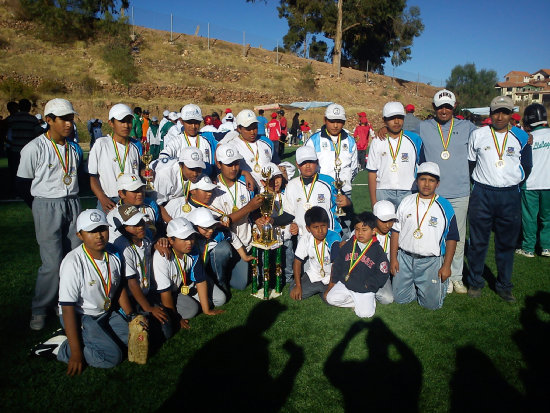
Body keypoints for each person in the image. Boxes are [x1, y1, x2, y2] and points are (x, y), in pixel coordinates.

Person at [31, 209, 131, 374]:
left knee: (132, 340)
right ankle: (61, 347)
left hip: (104, 312)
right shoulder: (73, 262)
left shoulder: (113, 253)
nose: (98, 235)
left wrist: (131, 316)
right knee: (112, 356)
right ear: (79, 235)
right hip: (81, 316)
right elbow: (67, 307)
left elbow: (118, 287)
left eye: (102, 229)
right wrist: (76, 354)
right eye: (91, 231)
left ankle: (77, 336)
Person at [17, 98, 83, 330]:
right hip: (46, 205)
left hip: (72, 203)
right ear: (49, 120)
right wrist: (38, 208)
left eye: (71, 119)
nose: (68, 124)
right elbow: (23, 184)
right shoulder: (33, 148)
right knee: (52, 262)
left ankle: (64, 302)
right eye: (63, 119)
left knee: (73, 258)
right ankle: (40, 308)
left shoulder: (74, 148)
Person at [467, 96, 532, 302]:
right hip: (482, 194)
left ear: (511, 113)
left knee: (506, 244)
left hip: (509, 196)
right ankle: (475, 282)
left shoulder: (521, 136)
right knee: (478, 242)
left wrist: (511, 182)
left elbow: (527, 166)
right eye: (496, 112)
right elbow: (471, 164)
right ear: (490, 113)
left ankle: (504, 285)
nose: (500, 116)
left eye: (504, 112)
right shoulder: (478, 134)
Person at [390, 162, 458, 310]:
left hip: (431, 262)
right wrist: (394, 258)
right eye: (423, 179)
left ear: (437, 184)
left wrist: (446, 266)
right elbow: (396, 231)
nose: (426, 184)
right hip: (405, 259)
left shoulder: (445, 206)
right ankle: (417, 285)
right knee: (399, 299)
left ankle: (432, 286)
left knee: (431, 305)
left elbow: (452, 238)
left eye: (431, 180)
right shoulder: (406, 201)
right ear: (416, 181)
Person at [154, 217, 225, 332]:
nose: (189, 242)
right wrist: (177, 318)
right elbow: (165, 293)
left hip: (184, 285)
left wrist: (206, 310)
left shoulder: (193, 251)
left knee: (220, 299)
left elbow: (200, 280)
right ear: (171, 240)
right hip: (166, 293)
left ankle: (197, 301)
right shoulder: (162, 257)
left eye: (191, 237)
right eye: (184, 239)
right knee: (192, 309)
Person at [210, 143, 263, 290]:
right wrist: (249, 207)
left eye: (236, 163)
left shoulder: (247, 183)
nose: (234, 168)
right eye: (229, 164)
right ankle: (218, 279)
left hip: (246, 241)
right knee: (222, 252)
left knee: (240, 284)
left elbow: (254, 212)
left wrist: (259, 218)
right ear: (219, 164)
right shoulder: (212, 189)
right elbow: (222, 223)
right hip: (227, 242)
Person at [113, 205, 169, 337]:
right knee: (153, 334)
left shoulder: (146, 238)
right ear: (123, 229)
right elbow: (131, 283)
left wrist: (157, 244)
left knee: (167, 327)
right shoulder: (123, 247)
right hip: (133, 298)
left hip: (147, 292)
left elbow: (150, 246)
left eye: (141, 222)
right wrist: (148, 308)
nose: (140, 227)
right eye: (134, 225)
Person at [272, 146, 348, 238]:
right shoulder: (292, 185)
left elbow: (343, 204)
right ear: (297, 164)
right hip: (304, 238)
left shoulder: (329, 182)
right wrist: (271, 221)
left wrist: (347, 202)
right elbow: (289, 214)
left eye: (311, 162)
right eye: (303, 163)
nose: (307, 166)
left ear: (317, 162)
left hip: (329, 235)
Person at [325, 212, 390, 318]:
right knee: (330, 299)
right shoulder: (349, 244)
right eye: (357, 229)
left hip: (365, 289)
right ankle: (356, 303)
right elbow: (338, 263)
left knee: (365, 314)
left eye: (364, 230)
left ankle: (367, 302)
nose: (360, 233)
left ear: (374, 231)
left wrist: (369, 284)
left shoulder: (378, 250)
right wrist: (334, 281)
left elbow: (383, 273)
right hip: (347, 284)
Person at [88, 103, 143, 213]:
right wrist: (102, 198)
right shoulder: (101, 144)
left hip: (131, 201)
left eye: (128, 121)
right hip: (109, 201)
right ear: (111, 123)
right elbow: (92, 177)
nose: (126, 125)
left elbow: (139, 171)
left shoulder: (135, 146)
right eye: (121, 121)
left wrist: (147, 172)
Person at [367, 102, 422, 209]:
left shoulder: (414, 139)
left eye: (400, 117)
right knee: (383, 225)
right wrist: (374, 202)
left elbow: (421, 167)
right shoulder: (377, 140)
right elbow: (372, 172)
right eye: (392, 118)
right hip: (382, 190)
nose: (396, 121)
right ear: (384, 120)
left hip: (409, 189)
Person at [516, 104, 550, 258]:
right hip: (548, 184)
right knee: (547, 218)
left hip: (530, 184)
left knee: (529, 218)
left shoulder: (527, 138)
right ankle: (546, 247)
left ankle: (528, 248)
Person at [304, 103, 358, 197]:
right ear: (325, 120)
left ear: (344, 122)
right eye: (332, 121)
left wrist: (346, 180)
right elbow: (303, 167)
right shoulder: (313, 140)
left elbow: (354, 168)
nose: (336, 125)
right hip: (320, 191)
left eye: (339, 121)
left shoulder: (350, 141)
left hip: (344, 192)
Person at [290, 207, 341, 301]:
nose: (320, 231)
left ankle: (325, 290)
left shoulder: (334, 238)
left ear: (328, 225)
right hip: (314, 275)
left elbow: (336, 265)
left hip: (331, 277)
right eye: (315, 227)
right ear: (308, 228)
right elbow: (297, 261)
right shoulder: (306, 238)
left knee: (330, 300)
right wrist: (298, 285)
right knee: (293, 291)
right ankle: (319, 289)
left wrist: (330, 286)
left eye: (323, 226)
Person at [160, 104, 217, 177]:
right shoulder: (176, 141)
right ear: (181, 121)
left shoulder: (205, 142)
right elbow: (163, 158)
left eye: (196, 122)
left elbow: (210, 165)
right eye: (189, 122)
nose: (193, 126)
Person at [226, 109, 277, 187]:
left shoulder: (267, 142)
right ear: (239, 129)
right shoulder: (232, 145)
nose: (252, 132)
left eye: (255, 128)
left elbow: (276, 163)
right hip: (246, 190)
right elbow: (227, 170)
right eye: (248, 129)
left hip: (268, 189)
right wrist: (244, 173)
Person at [153, 146, 205, 223]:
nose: (195, 173)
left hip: (176, 202)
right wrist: (174, 225)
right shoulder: (165, 175)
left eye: (198, 169)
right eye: (191, 168)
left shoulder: (201, 171)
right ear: (181, 165)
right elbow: (157, 204)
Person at [106, 173, 161, 243]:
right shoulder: (113, 216)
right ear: (121, 194)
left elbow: (159, 229)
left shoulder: (151, 205)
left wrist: (160, 241)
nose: (140, 193)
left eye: (141, 189)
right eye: (135, 191)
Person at [6, 98, 42, 197]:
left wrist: (8, 142)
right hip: (28, 151)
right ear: (29, 108)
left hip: (14, 149)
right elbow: (38, 133)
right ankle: (29, 191)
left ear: (19, 107)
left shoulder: (12, 119)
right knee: (30, 172)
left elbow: (4, 131)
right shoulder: (32, 119)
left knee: (14, 172)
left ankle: (15, 191)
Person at [372, 200, 398, 304]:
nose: (388, 225)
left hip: (383, 274)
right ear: (375, 218)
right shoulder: (365, 232)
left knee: (388, 299)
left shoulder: (395, 235)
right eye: (383, 221)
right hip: (365, 272)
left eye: (391, 220)